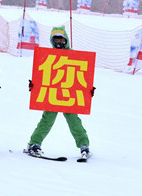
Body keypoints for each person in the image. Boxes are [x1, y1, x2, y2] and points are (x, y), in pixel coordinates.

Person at [25, 26, 93, 159]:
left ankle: (84, 144)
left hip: (69, 95)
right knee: (47, 120)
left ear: (66, 40)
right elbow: (42, 75)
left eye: (61, 40)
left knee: (74, 121)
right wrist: (35, 85)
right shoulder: (48, 56)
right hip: (53, 94)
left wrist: (87, 89)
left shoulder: (74, 55)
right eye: (56, 40)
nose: (59, 43)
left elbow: (82, 74)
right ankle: (34, 143)